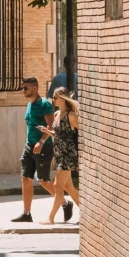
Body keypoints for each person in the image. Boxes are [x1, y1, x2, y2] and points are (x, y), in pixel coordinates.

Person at [13, 75, 53, 224]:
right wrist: (31, 144)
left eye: (26, 88)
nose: (23, 90)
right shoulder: (29, 105)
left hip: (44, 147)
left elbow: (50, 127)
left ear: (35, 88)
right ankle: (26, 213)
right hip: (29, 146)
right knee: (25, 178)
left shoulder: (45, 105)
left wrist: (41, 142)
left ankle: (64, 203)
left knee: (44, 181)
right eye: (23, 88)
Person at [44, 90, 80, 225]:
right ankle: (87, 215)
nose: (53, 100)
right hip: (59, 153)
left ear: (63, 99)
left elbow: (81, 132)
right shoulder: (57, 114)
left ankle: (51, 218)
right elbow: (58, 134)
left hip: (68, 155)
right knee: (69, 187)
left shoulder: (71, 116)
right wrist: (47, 131)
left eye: (55, 98)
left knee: (57, 185)